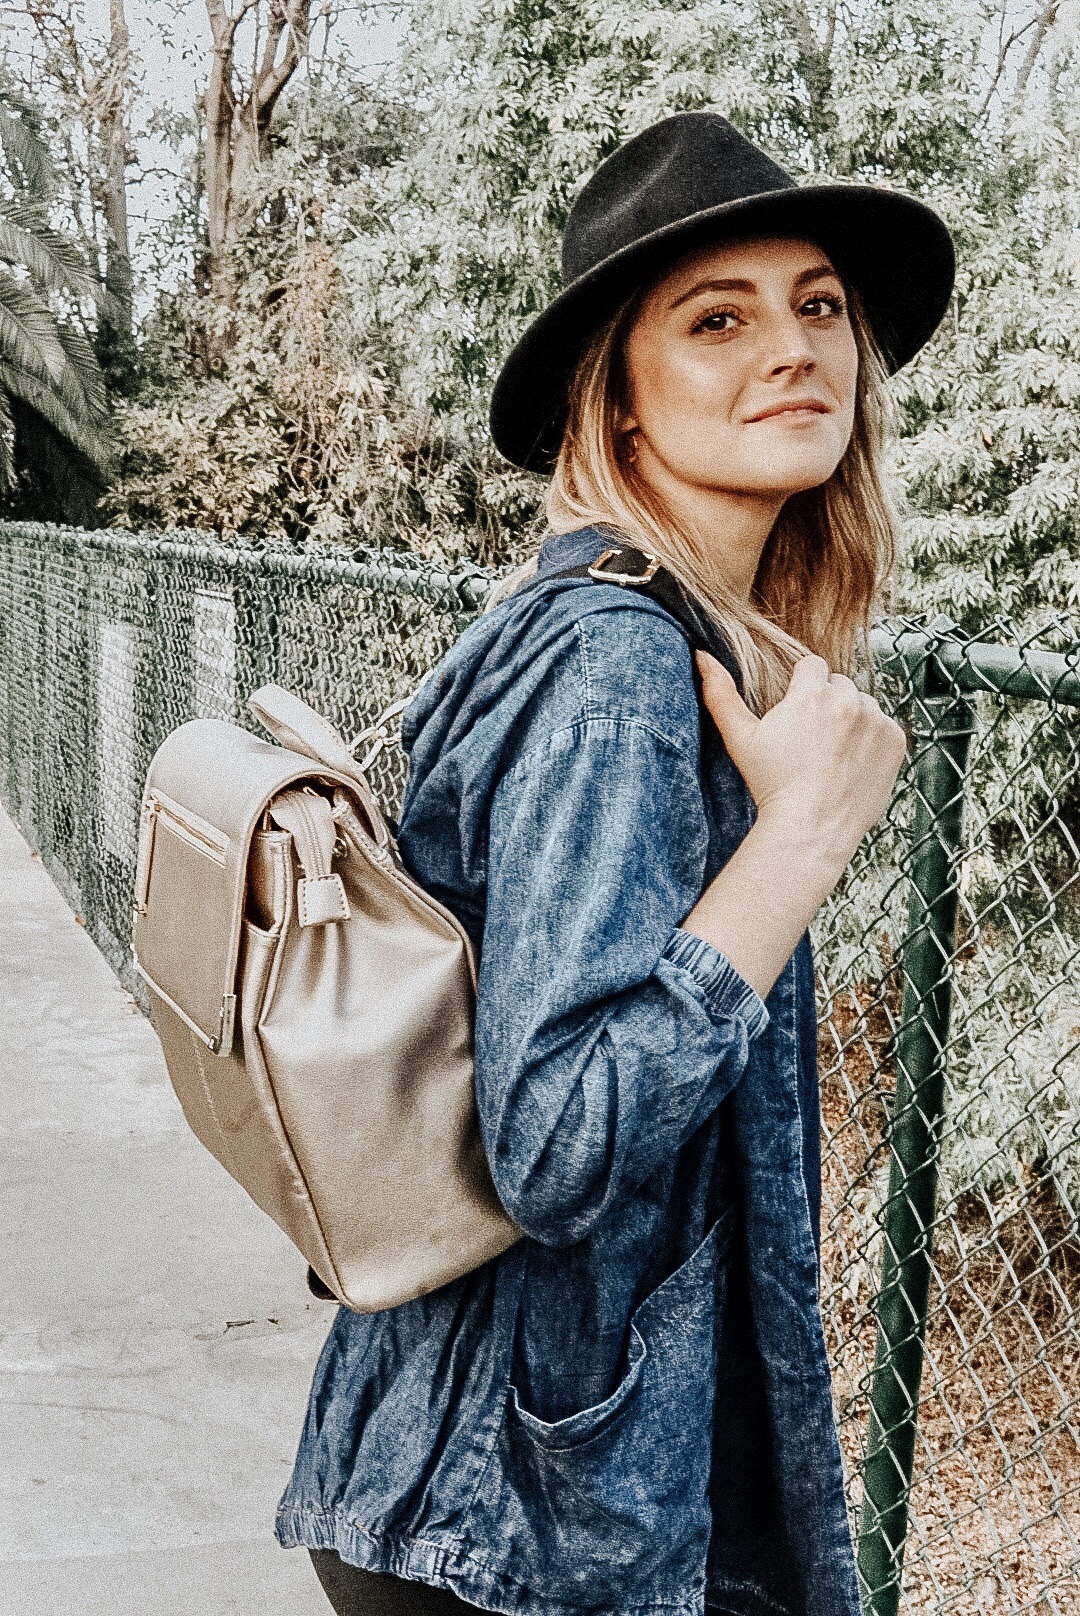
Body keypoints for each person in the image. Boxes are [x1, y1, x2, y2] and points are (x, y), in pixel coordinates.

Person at [276, 111, 955, 1616]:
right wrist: (798, 844)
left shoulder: (633, 620)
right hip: (515, 1526)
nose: (794, 349)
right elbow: (558, 1142)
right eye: (718, 320)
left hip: (495, 1484)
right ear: (623, 403)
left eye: (818, 305)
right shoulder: (617, 663)